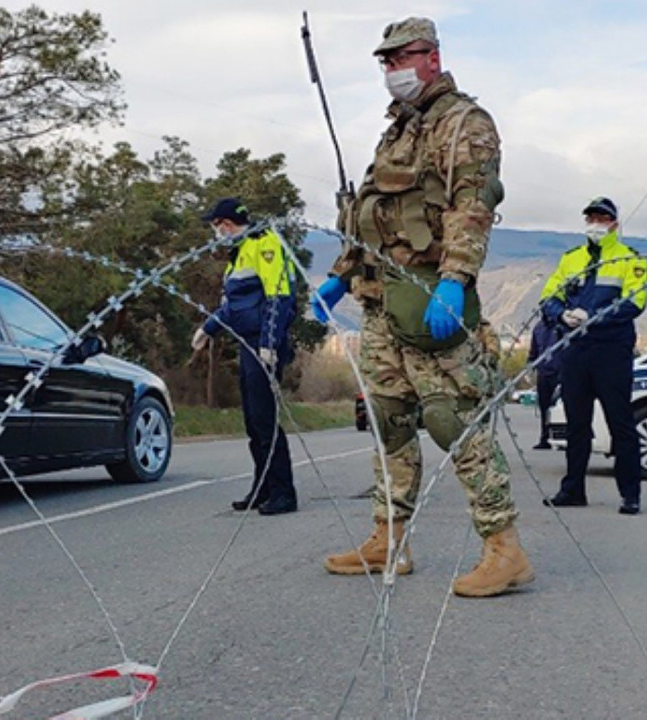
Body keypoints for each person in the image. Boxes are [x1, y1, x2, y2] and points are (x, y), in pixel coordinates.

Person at [312, 16, 531, 597]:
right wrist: (341, 276)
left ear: (432, 56)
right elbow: (375, 217)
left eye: (402, 57)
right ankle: (389, 540)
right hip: (383, 302)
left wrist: (456, 279)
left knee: (452, 421)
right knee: (390, 424)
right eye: (384, 62)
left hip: (432, 297)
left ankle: (504, 550)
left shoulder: (465, 123)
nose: (393, 70)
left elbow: (470, 206)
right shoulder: (399, 130)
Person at [538, 196, 647, 514]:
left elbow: (635, 301)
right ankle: (573, 489)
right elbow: (549, 295)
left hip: (611, 350)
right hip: (575, 349)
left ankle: (630, 494)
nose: (596, 224)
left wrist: (596, 315)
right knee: (577, 425)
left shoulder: (629, 259)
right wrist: (562, 315)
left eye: (602, 219)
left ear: (614, 223)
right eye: (591, 219)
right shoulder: (571, 259)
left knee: (620, 423)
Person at [192, 197, 298, 515]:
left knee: (266, 419)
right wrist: (209, 328)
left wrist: (269, 343)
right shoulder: (238, 255)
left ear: (226, 223)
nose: (216, 233)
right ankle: (262, 486)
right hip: (247, 344)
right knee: (253, 422)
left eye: (216, 225)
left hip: (263, 345)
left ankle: (283, 493)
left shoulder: (265, 244)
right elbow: (234, 306)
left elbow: (279, 296)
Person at [527, 318, 563, 449]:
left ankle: (563, 436)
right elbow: (534, 350)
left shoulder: (561, 326)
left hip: (560, 373)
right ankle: (545, 437)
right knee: (544, 407)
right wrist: (531, 364)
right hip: (543, 373)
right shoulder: (538, 328)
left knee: (562, 406)